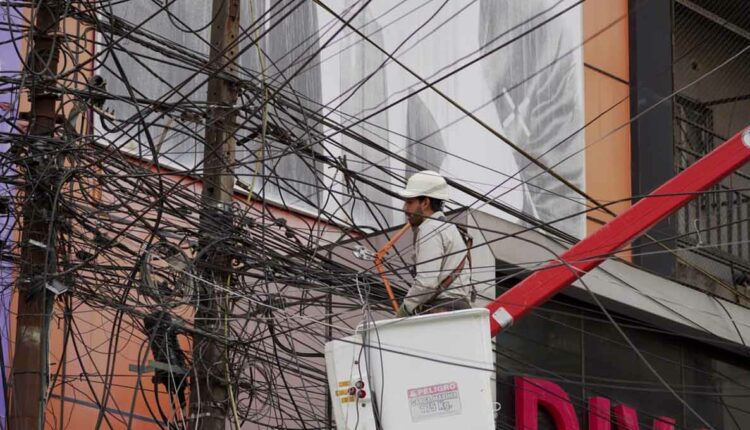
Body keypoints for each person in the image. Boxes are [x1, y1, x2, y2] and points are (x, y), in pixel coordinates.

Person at [395, 170, 472, 318]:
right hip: (459, 308)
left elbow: (426, 283)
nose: (404, 208)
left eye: (409, 202)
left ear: (425, 202)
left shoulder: (430, 228)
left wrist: (405, 309)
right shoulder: (449, 228)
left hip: (443, 310)